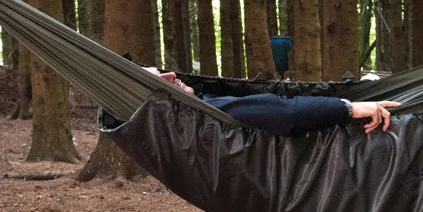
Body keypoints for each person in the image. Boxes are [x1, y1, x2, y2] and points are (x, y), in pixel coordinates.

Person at [146, 68, 399, 137]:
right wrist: (348, 108)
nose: (172, 75)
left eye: (163, 70)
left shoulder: (199, 103)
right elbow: (284, 112)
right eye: (160, 79)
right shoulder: (204, 111)